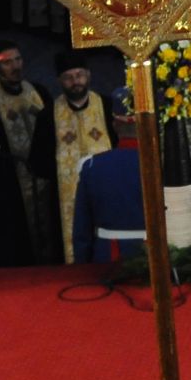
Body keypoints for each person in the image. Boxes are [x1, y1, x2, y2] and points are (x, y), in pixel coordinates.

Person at [33, 50, 116, 264]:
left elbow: (118, 146)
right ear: (60, 80)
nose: (75, 82)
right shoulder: (48, 115)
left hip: (104, 188)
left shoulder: (107, 106)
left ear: (88, 75)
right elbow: (38, 161)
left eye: (79, 75)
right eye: (69, 77)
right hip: (64, 197)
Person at [0, 40, 51, 265]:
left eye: (18, 60)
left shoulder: (38, 91)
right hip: (11, 179)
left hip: (42, 175)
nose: (16, 67)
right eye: (7, 63)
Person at [70, 89, 147, 264]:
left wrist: (82, 266)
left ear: (114, 125)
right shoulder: (160, 164)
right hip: (153, 258)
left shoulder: (92, 166)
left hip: (108, 257)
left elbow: (82, 231)